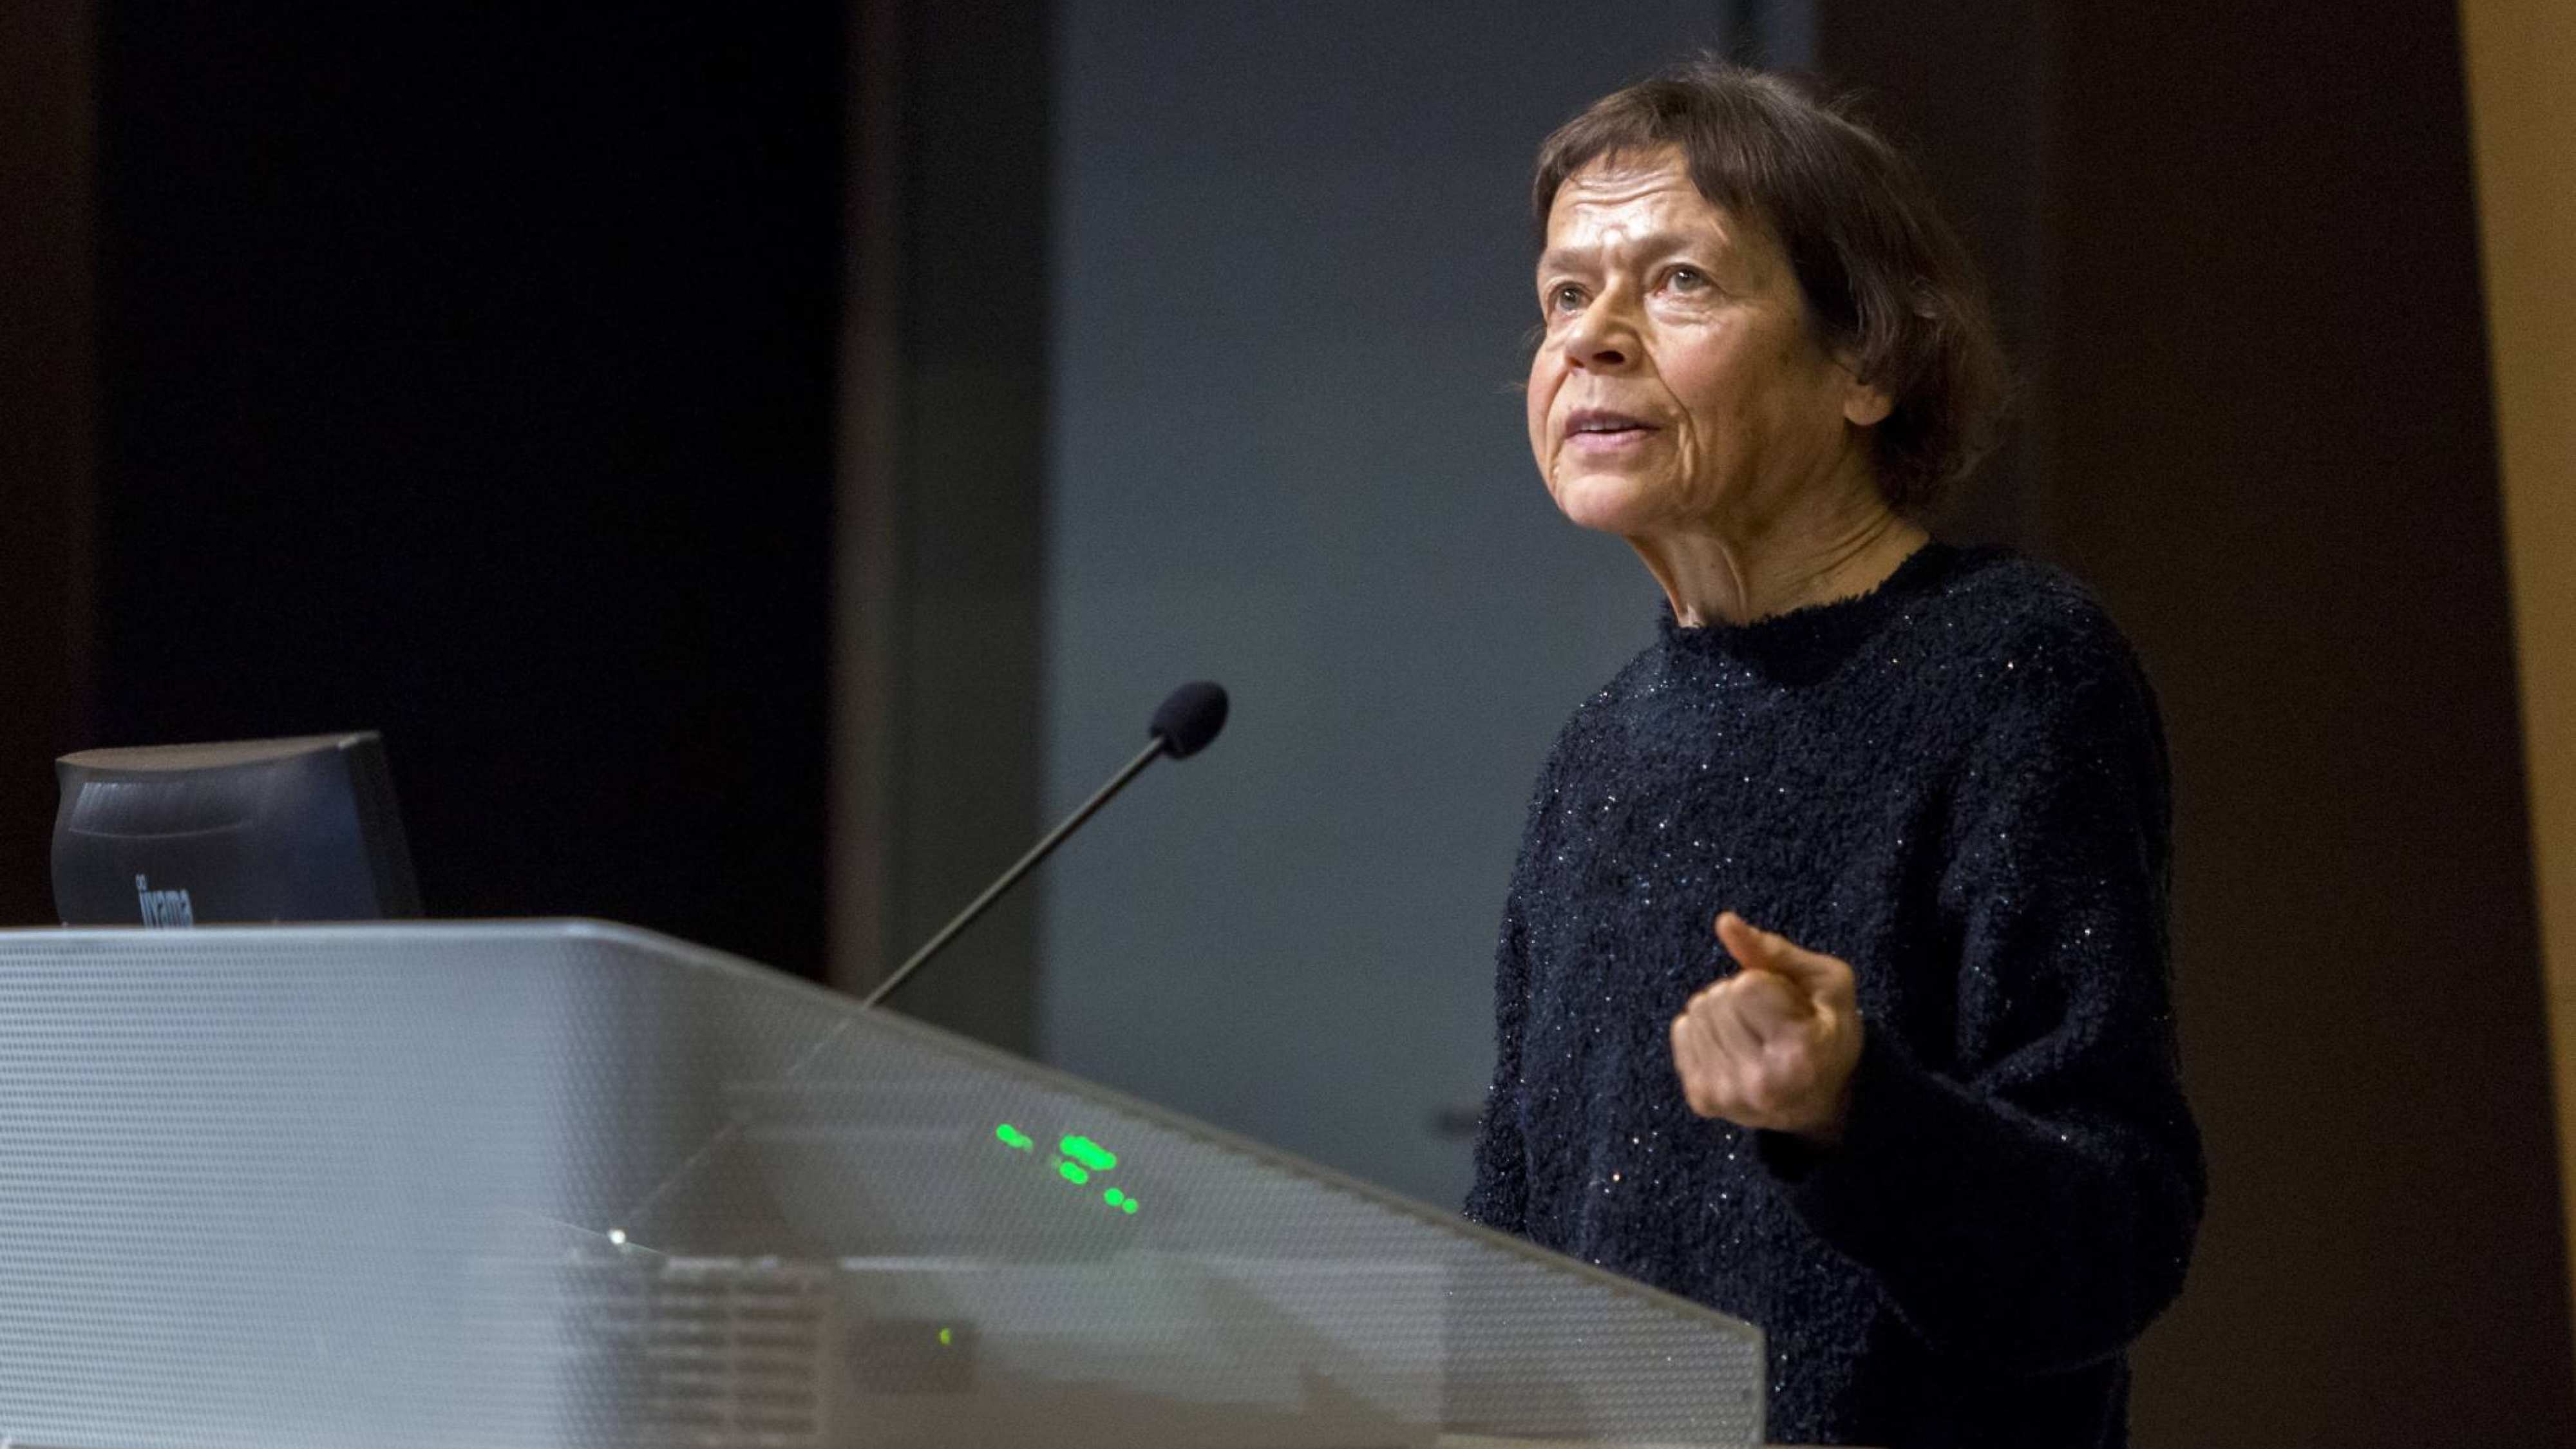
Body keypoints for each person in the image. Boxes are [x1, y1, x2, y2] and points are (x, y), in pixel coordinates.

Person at [1464, 61, 2204, 1449]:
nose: (1589, 341)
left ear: (1862, 361)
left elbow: (2111, 1238)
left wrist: (1852, 1114)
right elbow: (1517, 1233)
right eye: (1566, 294)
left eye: (1676, 281)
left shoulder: (2009, 669)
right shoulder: (1596, 758)